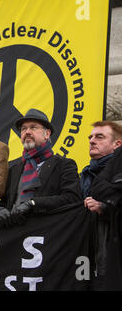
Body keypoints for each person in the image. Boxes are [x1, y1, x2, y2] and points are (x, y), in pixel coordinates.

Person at [0, 108, 82, 227]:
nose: (27, 132)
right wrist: (0, 210)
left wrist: (34, 203)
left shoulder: (64, 165)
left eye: (33, 127)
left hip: (49, 234)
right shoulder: (14, 169)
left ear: (47, 134)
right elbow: (5, 202)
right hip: (15, 235)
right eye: (24, 129)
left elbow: (73, 198)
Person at [80, 121, 122, 289]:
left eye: (99, 136)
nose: (91, 140)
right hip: (84, 258)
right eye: (90, 136)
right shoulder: (84, 174)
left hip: (111, 257)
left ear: (117, 144)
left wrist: (105, 208)